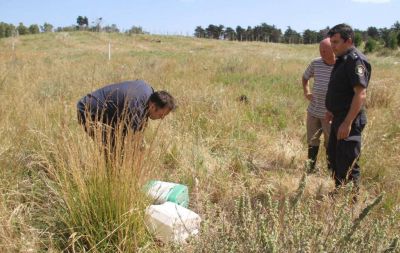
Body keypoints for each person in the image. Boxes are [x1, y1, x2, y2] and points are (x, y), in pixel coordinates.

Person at [325, 24, 371, 191]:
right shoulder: (343, 59)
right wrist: (331, 110)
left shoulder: (355, 60)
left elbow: (360, 94)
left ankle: (350, 205)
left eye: (336, 42)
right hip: (339, 117)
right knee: (335, 158)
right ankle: (339, 193)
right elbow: (341, 90)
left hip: (349, 119)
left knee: (348, 162)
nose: (333, 46)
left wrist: (347, 122)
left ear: (349, 41)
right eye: (331, 42)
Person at [77, 79, 176, 156]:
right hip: (88, 111)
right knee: (112, 149)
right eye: (161, 115)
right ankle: (112, 176)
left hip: (109, 112)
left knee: (120, 144)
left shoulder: (149, 92)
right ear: (153, 106)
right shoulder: (136, 108)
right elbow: (133, 140)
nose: (162, 118)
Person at [302, 38, 335, 173]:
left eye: (324, 50)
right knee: (312, 140)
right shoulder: (316, 63)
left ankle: (331, 171)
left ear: (333, 49)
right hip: (314, 110)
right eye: (320, 50)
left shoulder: (340, 65)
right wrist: (307, 92)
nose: (321, 53)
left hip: (330, 114)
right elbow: (305, 77)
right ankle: (310, 169)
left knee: (330, 144)